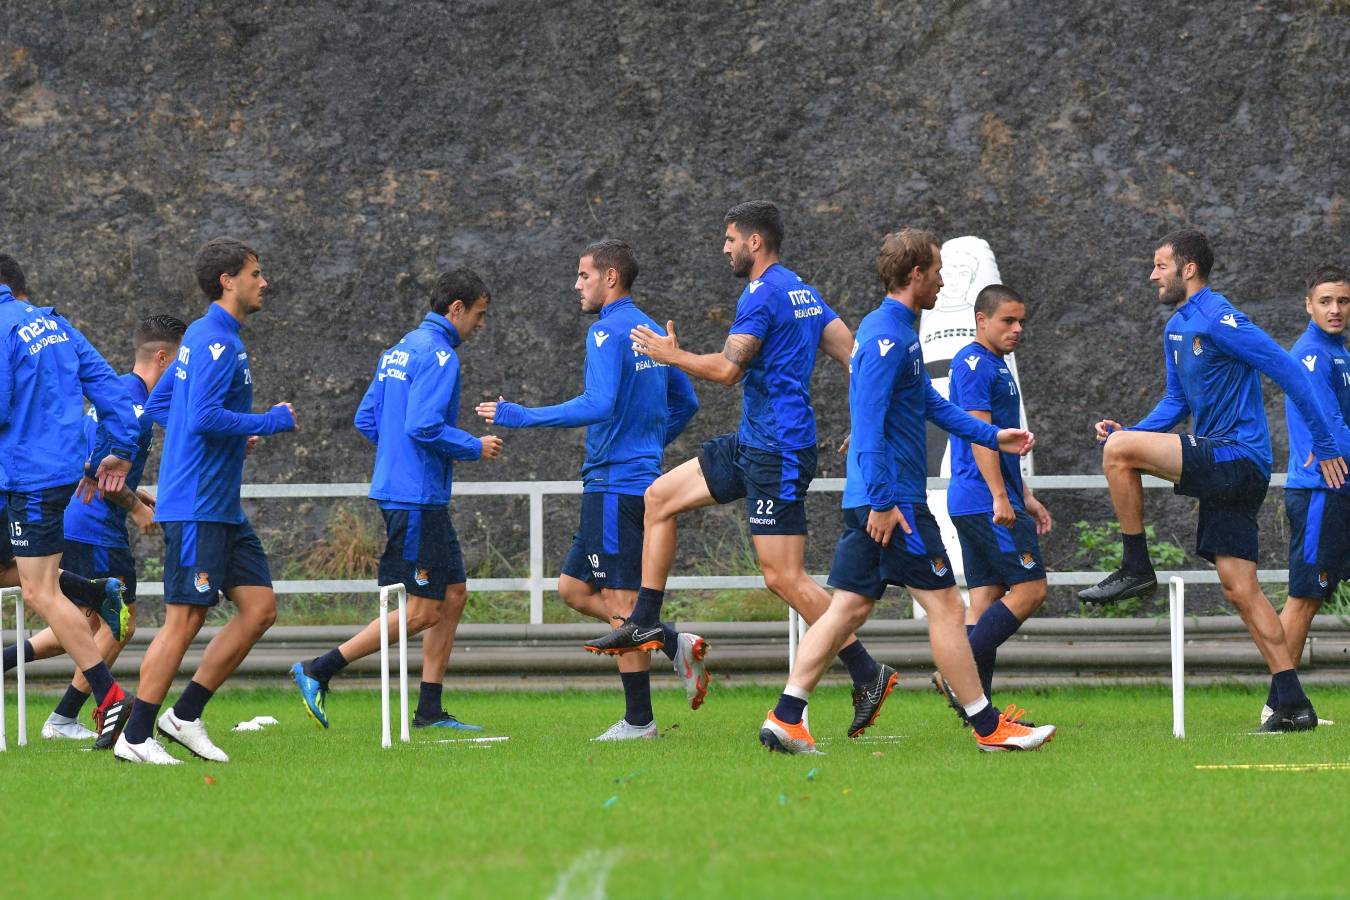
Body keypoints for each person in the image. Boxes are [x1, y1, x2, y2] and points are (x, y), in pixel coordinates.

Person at [585, 201, 893, 737]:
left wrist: (670, 354)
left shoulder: (761, 295)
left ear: (755, 242)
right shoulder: (802, 290)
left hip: (779, 453)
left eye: (730, 239)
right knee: (658, 497)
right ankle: (645, 622)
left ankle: (868, 672)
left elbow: (728, 371)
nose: (724, 248)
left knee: (784, 578)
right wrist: (864, 421)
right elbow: (855, 355)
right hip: (753, 443)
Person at [759, 228, 1055, 754]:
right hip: (894, 504)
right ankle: (988, 727)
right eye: (937, 272)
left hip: (881, 499)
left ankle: (786, 717)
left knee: (845, 610)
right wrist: (883, 501)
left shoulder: (897, 331)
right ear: (915, 274)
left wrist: (993, 435)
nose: (943, 282)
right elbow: (866, 424)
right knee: (946, 607)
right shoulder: (886, 337)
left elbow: (931, 406)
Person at [1082, 230, 1347, 733]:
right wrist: (1133, 432)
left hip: (1238, 458)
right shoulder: (1177, 328)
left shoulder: (1220, 318)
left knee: (1118, 454)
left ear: (1187, 269)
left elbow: (1287, 369)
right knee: (1240, 589)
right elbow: (1177, 403)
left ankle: (1136, 565)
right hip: (1226, 467)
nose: (1152, 275)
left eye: (1160, 265)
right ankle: (1292, 704)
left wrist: (1327, 444)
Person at [476, 239, 702, 740]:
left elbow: (598, 403)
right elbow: (686, 404)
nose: (576, 285)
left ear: (611, 277)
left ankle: (639, 721)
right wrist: (646, 444)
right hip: (628, 480)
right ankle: (670, 641)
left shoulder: (605, 331)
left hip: (613, 485)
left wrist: (522, 416)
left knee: (621, 604)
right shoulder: (649, 330)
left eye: (583, 276)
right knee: (573, 589)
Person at [292, 268, 501, 732]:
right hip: (416, 498)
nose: (481, 325)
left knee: (453, 594)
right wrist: (474, 446)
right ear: (457, 309)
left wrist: (397, 458)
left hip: (403, 491)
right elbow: (423, 426)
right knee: (423, 610)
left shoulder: (398, 350)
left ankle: (429, 710)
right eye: (480, 315)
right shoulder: (442, 356)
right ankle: (319, 668)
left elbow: (367, 419)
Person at [116, 238, 297, 764]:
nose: (264, 282)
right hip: (197, 504)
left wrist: (228, 433)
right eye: (256, 274)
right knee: (185, 621)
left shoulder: (201, 336)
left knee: (260, 609)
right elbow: (201, 417)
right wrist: (265, 422)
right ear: (228, 280)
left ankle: (185, 715)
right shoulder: (216, 341)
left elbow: (159, 405)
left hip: (220, 506)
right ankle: (135, 736)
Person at [12, 315, 185, 740]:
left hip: (79, 523)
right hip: (94, 528)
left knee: (85, 624)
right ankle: (66, 716)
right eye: (182, 364)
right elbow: (96, 472)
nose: (184, 374)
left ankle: (31, 685)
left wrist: (135, 494)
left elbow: (95, 464)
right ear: (162, 359)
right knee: (119, 624)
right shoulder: (134, 408)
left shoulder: (123, 394)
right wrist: (134, 505)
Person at [0, 251, 140, 749]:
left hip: (27, 477)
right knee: (9, 570)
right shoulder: (57, 325)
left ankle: (108, 697)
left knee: (39, 593)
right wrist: (117, 452)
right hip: (53, 473)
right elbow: (109, 389)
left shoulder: (2, 326)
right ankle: (94, 591)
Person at [932, 284, 1053, 723]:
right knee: (1031, 589)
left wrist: (1025, 495)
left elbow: (1006, 443)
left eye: (1021, 321)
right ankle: (953, 674)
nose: (1017, 328)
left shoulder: (996, 364)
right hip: (984, 500)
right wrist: (1002, 497)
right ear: (981, 320)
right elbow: (981, 437)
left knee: (984, 598)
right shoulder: (974, 364)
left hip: (980, 498)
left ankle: (978, 711)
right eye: (1008, 320)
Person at [1262, 265, 1350, 727]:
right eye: (1326, 301)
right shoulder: (1313, 354)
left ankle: (1284, 702)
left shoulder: (1338, 352)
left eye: (1343, 301)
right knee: (1303, 598)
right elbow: (1331, 426)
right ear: (1309, 305)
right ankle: (1280, 704)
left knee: (1312, 597)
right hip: (1320, 492)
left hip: (1341, 490)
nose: (1335, 310)